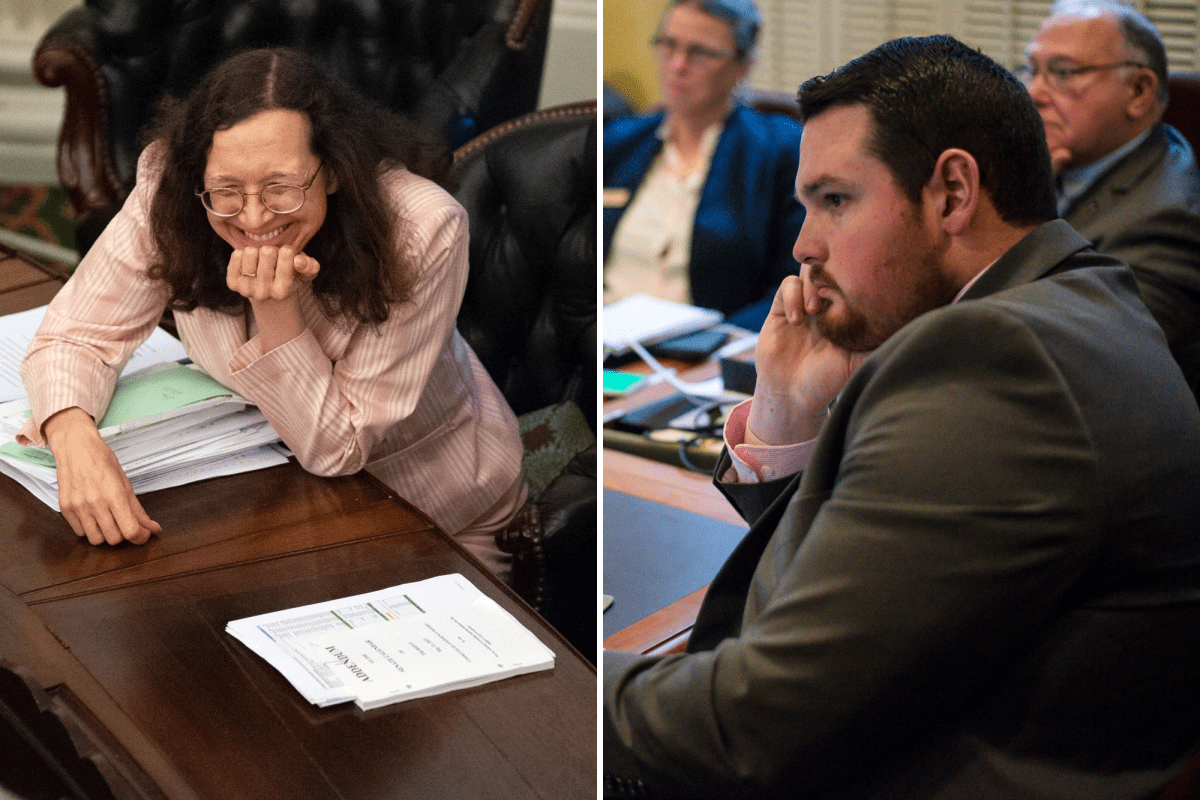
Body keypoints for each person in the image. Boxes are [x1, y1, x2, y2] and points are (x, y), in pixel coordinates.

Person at [603, 35, 1200, 799]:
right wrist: (787, 414)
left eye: (836, 201)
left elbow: (751, 726)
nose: (803, 246)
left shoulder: (996, 356)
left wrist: (564, 685)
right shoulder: (1073, 298)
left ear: (952, 192)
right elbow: (850, 584)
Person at [17, 48, 526, 575]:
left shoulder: (423, 228)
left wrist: (276, 310)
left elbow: (338, 449)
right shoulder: (169, 187)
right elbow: (73, 336)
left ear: (331, 171)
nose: (255, 217)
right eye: (227, 192)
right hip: (268, 490)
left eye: (281, 188)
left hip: (431, 510)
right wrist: (74, 437)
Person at [1022, 0, 1200, 394]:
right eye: (1032, 70)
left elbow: (1065, 359)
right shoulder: (1068, 160)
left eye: (1063, 73)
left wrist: (1022, 207)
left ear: (1138, 92)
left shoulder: (1169, 220)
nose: (1034, 93)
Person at [603, 0, 804, 329]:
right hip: (605, 344)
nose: (677, 65)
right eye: (668, 45)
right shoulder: (617, 141)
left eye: (700, 53)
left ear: (743, 65)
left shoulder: (776, 152)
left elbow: (792, 283)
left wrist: (718, 345)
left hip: (706, 352)